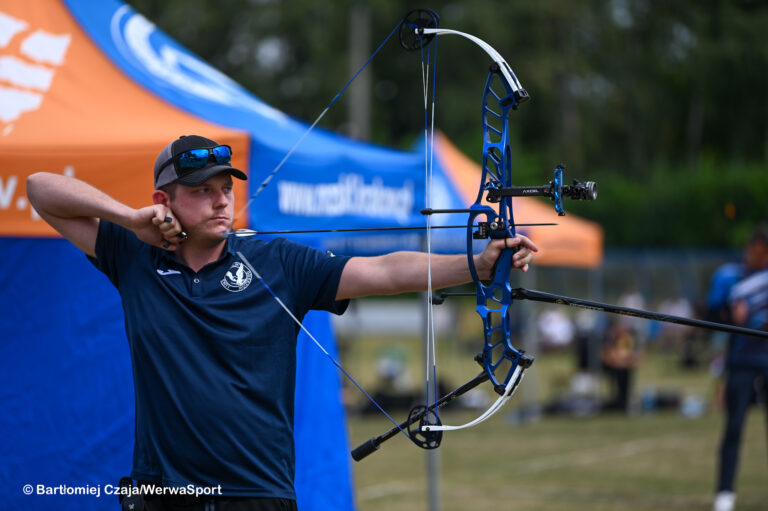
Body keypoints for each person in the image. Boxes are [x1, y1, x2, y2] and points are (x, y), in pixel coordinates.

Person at [25, 135, 537, 511]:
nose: (221, 200)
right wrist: (128, 219)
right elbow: (39, 188)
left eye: (225, 188)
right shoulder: (133, 255)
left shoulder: (277, 262)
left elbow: (383, 271)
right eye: (202, 190)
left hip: (256, 492)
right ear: (165, 201)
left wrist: (474, 263)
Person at [708, 224, 768, 511]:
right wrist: (731, 315)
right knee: (733, 428)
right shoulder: (729, 276)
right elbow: (710, 313)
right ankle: (725, 493)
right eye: (760, 251)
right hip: (741, 362)